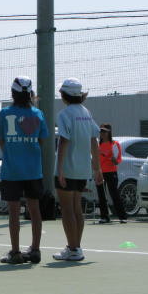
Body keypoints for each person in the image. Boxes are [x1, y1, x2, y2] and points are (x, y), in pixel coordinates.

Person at [0, 76, 48, 264]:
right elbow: (41, 141)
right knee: (34, 210)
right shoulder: (38, 114)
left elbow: (2, 141)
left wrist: (13, 154)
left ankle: (16, 252)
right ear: (30, 93)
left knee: (14, 212)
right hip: (33, 170)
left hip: (12, 170)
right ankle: (35, 250)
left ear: (13, 93)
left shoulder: (4, 113)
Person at [53, 78, 103, 262]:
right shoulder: (86, 112)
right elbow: (94, 140)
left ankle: (73, 249)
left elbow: (64, 141)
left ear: (64, 94)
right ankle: (76, 248)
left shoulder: (64, 114)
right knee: (76, 209)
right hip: (82, 169)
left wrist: (60, 169)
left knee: (67, 210)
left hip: (68, 168)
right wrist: (97, 168)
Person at [95, 124, 127, 224]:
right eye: (101, 131)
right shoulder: (98, 145)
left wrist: (114, 160)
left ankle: (122, 217)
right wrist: (96, 170)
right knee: (101, 195)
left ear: (109, 132)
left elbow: (118, 160)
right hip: (100, 172)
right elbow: (95, 159)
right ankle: (104, 217)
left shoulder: (114, 144)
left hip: (111, 172)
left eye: (104, 131)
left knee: (114, 194)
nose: (102, 133)